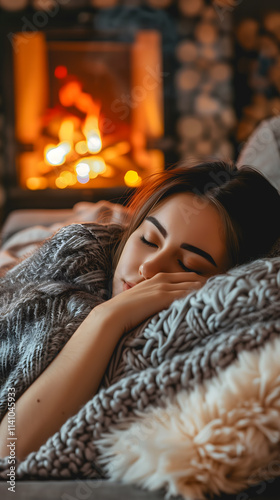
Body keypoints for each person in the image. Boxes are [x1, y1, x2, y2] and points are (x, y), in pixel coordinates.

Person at [0, 160, 280, 461]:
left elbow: (9, 454)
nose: (149, 267)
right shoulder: (73, 264)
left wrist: (108, 319)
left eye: (188, 265)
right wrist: (106, 315)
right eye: (148, 239)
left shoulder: (187, 344)